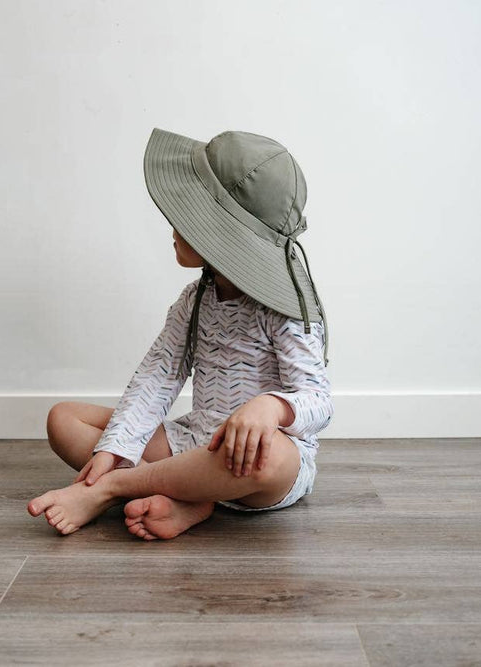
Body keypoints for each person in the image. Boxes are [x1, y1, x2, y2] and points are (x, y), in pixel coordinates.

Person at [28, 127, 332, 540]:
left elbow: (318, 401)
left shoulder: (287, 309)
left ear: (224, 237)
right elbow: (158, 377)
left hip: (256, 465)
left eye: (188, 217)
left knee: (269, 456)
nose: (173, 224)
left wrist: (271, 408)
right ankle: (189, 496)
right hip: (196, 444)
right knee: (64, 419)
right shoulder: (194, 300)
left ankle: (113, 489)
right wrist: (114, 450)